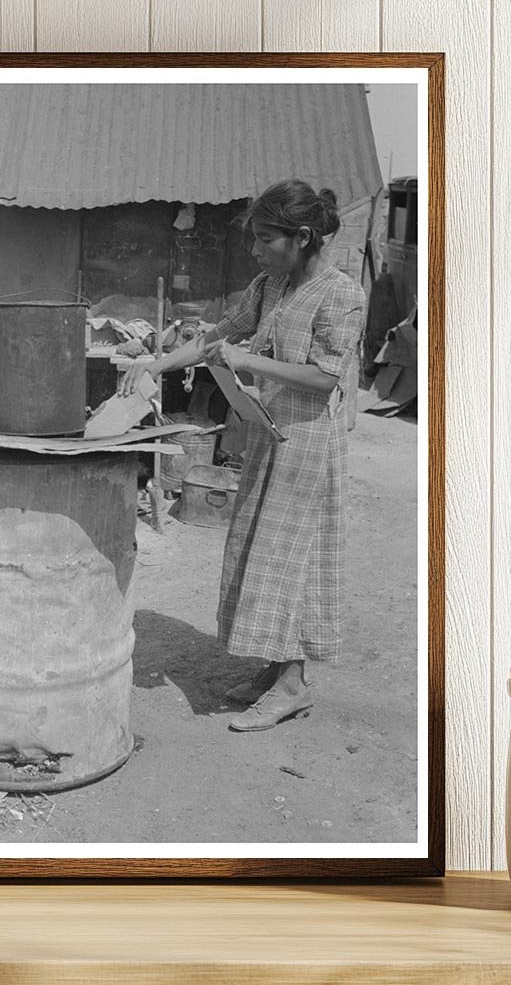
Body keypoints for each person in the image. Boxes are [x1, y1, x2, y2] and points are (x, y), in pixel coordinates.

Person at [119, 179, 366, 731]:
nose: (254, 250)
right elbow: (219, 337)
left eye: (263, 239)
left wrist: (249, 362)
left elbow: (325, 379)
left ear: (302, 237)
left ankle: (294, 684)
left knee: (291, 561)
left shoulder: (341, 293)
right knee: (260, 553)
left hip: (308, 447)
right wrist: (154, 366)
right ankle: (276, 669)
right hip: (267, 435)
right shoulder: (271, 284)